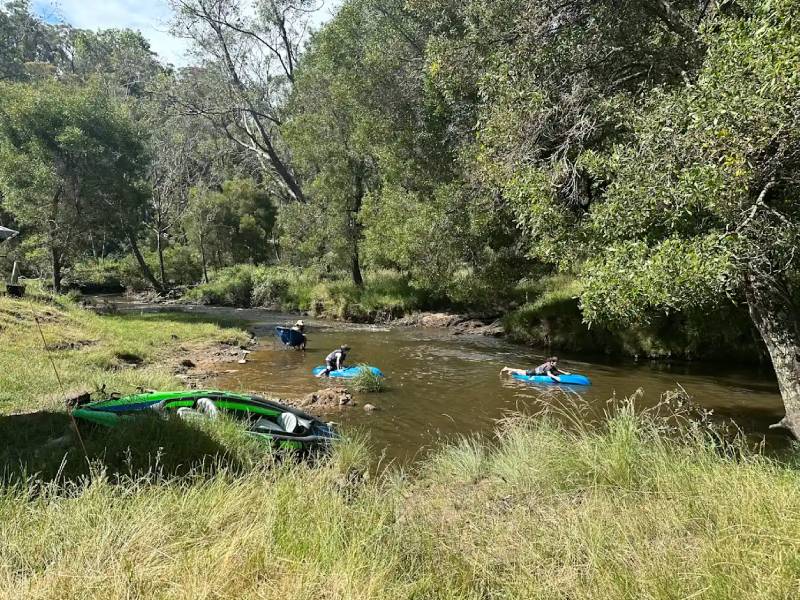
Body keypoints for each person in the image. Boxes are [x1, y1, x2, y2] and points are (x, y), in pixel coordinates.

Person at [501, 356, 571, 382]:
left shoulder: (551, 364)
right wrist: (556, 378)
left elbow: (557, 370)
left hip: (535, 371)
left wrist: (565, 373)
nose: (557, 363)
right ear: (552, 362)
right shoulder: (549, 366)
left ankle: (510, 370)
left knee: (522, 370)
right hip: (531, 373)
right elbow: (549, 374)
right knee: (522, 372)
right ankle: (507, 368)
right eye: (556, 362)